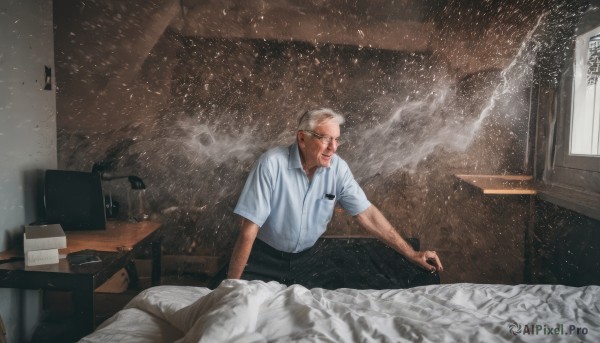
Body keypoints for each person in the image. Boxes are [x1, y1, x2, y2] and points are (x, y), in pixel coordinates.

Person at [227, 108, 443, 285]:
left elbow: (367, 214)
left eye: (337, 140)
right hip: (264, 259)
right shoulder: (271, 164)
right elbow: (249, 231)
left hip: (310, 260)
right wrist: (231, 288)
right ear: (302, 139)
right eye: (325, 139)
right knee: (231, 304)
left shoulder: (338, 168)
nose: (333, 148)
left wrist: (412, 253)